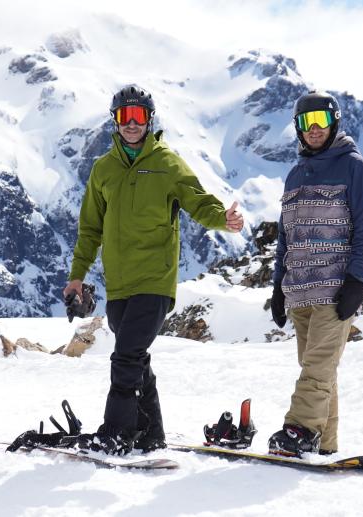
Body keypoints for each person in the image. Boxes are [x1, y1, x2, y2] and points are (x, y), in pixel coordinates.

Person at [65, 85, 244, 455]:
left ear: (149, 120)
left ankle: (117, 432)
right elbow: (90, 228)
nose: (131, 123)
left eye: (139, 116)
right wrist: (77, 275)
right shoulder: (103, 169)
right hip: (119, 284)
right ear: (115, 120)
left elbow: (198, 201)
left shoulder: (167, 163)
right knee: (136, 358)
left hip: (155, 281)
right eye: (124, 116)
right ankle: (151, 434)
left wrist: (223, 219)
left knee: (126, 356)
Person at [269, 90, 363, 457]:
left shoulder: (354, 167)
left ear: (334, 122)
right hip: (299, 290)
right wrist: (278, 287)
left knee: (317, 367)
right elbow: (286, 236)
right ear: (298, 128)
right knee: (319, 370)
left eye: (321, 120)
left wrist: (356, 280)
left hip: (335, 290)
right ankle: (324, 447)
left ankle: (299, 430)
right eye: (306, 122)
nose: (314, 128)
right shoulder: (294, 175)